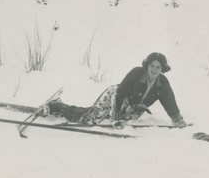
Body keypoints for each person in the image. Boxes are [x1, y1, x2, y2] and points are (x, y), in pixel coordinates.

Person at [46, 52, 187, 129]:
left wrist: (178, 120)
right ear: (147, 64)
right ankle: (58, 107)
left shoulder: (162, 83)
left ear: (162, 69)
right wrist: (115, 118)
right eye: (152, 65)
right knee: (89, 119)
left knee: (101, 115)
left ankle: (101, 112)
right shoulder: (136, 73)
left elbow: (170, 103)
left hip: (133, 108)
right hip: (115, 96)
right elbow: (119, 95)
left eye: (158, 67)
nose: (154, 70)